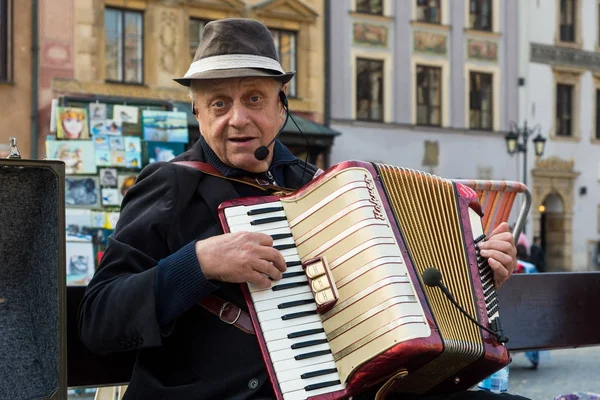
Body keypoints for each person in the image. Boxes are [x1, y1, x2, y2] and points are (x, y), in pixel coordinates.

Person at [78, 18, 527, 400]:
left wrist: (477, 270)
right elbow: (99, 319)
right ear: (197, 112)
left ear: (280, 105)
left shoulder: (324, 189)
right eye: (219, 103)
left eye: (254, 98)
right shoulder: (169, 186)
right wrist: (199, 263)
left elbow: (400, 289)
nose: (237, 118)